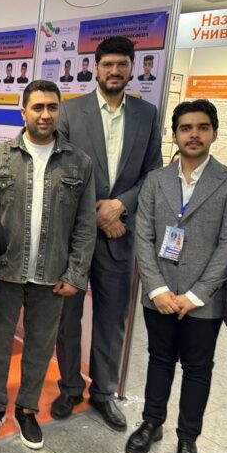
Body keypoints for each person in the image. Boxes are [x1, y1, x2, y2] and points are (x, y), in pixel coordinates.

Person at [0, 80, 96, 449]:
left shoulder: (79, 163)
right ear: (23, 111)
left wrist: (76, 274)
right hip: (4, 273)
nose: (45, 114)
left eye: (52, 107)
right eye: (38, 107)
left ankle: (26, 409)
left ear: (59, 111)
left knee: (40, 347)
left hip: (52, 276)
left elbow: (85, 224)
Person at [51, 36, 162, 431]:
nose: (115, 71)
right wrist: (99, 213)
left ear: (132, 68)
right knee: (67, 317)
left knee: (112, 319)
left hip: (120, 235)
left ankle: (103, 392)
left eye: (122, 64)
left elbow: (153, 172)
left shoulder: (147, 114)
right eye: (108, 64)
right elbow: (60, 170)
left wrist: (120, 206)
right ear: (95, 68)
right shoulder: (69, 111)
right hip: (74, 237)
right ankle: (69, 387)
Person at [126, 99, 227, 453]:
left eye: (202, 127)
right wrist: (156, 288)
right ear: (174, 134)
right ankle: (151, 422)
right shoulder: (156, 181)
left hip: (203, 302)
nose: (194, 135)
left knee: (197, 369)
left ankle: (188, 439)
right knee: (158, 359)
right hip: (158, 295)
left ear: (214, 133)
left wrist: (195, 295)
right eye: (186, 128)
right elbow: (143, 236)